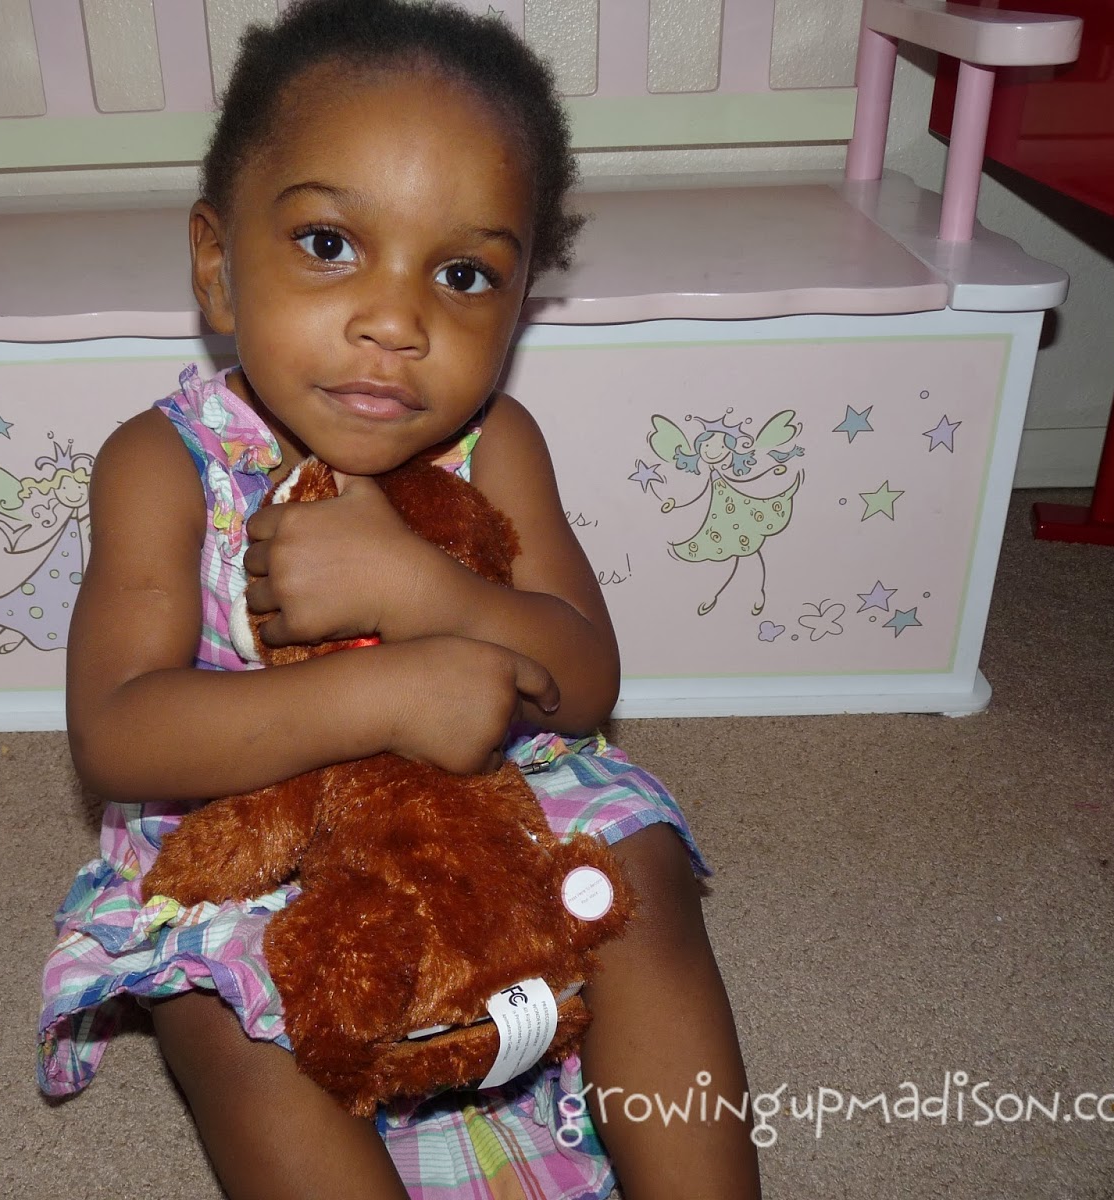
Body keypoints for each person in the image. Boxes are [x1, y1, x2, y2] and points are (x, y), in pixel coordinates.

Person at [38, 2, 761, 1196]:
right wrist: (381, 694)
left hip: (494, 797)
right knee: (221, 1018)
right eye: (330, 244)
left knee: (634, 872)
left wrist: (429, 588)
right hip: (244, 838)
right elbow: (119, 732)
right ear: (217, 266)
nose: (395, 321)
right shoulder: (162, 464)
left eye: (463, 273)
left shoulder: (496, 443)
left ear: (517, 302)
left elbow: (584, 678)